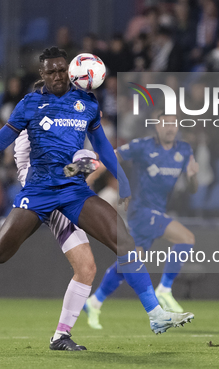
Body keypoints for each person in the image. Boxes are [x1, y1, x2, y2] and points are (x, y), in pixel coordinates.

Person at [0, 47, 194, 351]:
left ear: (71, 71)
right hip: (38, 192)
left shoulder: (85, 102)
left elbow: (102, 147)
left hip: (73, 191)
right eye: (52, 72)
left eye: (63, 70)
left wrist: (123, 182)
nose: (59, 76)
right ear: (42, 75)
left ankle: (154, 315)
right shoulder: (29, 106)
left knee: (120, 244)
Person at [84, 113, 199, 329]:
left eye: (173, 124)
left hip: (156, 210)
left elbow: (193, 189)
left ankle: (95, 301)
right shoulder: (142, 146)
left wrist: (193, 176)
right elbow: (110, 156)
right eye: (165, 124)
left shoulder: (184, 150)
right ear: (157, 127)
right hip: (141, 211)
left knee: (130, 262)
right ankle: (164, 289)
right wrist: (90, 177)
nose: (170, 128)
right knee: (186, 238)